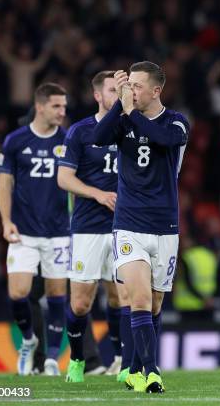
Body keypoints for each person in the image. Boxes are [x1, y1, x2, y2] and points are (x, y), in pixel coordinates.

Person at [87, 61, 189, 393]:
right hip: (129, 223)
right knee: (140, 299)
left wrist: (130, 113)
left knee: (156, 303)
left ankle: (134, 368)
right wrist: (119, 104)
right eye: (127, 84)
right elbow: (97, 137)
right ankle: (152, 371)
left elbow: (159, 139)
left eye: (136, 85)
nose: (131, 90)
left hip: (165, 226)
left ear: (156, 90)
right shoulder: (124, 117)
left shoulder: (177, 123)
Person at [58, 70, 131, 382]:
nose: (118, 95)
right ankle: (77, 359)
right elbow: (64, 178)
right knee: (80, 302)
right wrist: (98, 194)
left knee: (122, 298)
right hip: (88, 226)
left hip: (125, 226)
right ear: (98, 96)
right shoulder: (79, 131)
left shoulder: (131, 127)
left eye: (123, 89)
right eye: (113, 90)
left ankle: (121, 360)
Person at [0, 83, 70, 376]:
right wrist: (5, 220)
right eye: (56, 106)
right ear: (39, 107)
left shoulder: (68, 140)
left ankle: (51, 358)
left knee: (55, 295)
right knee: (19, 293)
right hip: (24, 232)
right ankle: (28, 341)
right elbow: (4, 183)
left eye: (64, 106)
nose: (62, 112)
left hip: (59, 231)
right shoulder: (16, 141)